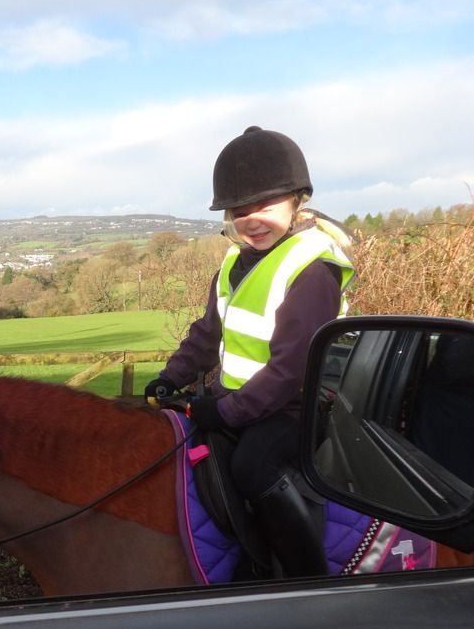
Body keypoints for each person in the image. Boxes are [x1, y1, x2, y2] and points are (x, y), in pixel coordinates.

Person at [145, 126, 354, 578]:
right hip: (242, 399)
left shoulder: (312, 270)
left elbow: (290, 372)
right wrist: (169, 377)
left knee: (252, 467)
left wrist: (225, 412)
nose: (253, 220)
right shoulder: (233, 264)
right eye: (240, 212)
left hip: (295, 406)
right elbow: (208, 333)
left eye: (266, 206)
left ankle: (305, 578)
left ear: (297, 202)